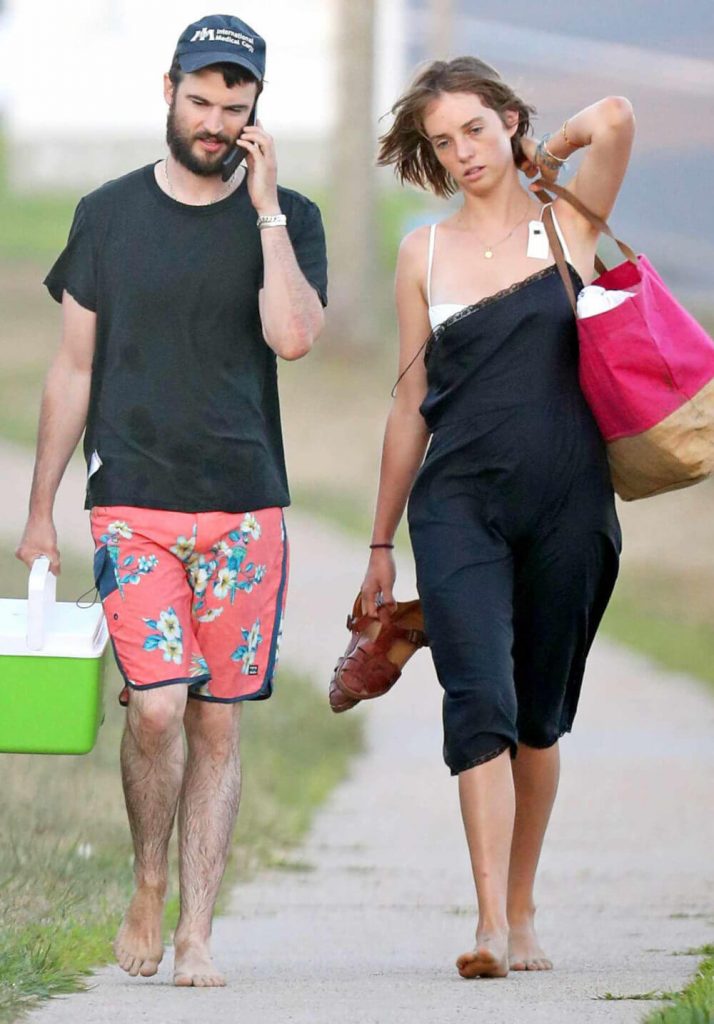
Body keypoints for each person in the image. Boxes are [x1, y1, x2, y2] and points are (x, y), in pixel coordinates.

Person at [16, 13, 327, 988]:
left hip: (244, 513)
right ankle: (146, 882)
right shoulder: (106, 214)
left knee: (218, 721)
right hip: (133, 504)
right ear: (168, 91)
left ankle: (197, 930)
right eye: (201, 101)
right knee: (154, 707)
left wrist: (268, 208)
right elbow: (71, 371)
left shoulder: (293, 218)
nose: (215, 121)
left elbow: (293, 337)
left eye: (236, 108)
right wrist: (38, 512)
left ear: (255, 114)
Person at [361, 57, 634, 978]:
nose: (462, 152)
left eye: (475, 129)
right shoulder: (422, 254)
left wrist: (539, 151)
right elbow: (408, 408)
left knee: (538, 721)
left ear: (507, 119)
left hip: (571, 506)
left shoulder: (571, 221)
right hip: (457, 509)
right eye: (443, 142)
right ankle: (484, 925)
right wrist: (376, 545)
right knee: (479, 697)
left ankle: (522, 913)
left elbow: (618, 115)